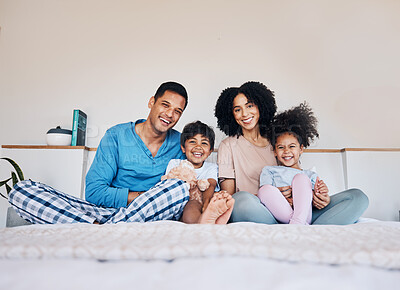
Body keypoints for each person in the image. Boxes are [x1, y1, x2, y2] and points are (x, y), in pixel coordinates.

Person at [8, 81, 191, 224]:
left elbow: (187, 190)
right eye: (165, 105)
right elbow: (94, 192)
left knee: (179, 189)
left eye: (177, 111)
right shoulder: (116, 135)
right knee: (21, 191)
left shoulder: (182, 143)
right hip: (103, 212)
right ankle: (101, 227)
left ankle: (96, 230)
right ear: (152, 102)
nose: (169, 114)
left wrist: (148, 202)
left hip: (150, 215)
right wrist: (143, 197)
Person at [215, 81, 369, 225]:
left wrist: (320, 198)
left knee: (357, 197)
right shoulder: (228, 146)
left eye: (249, 106)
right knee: (240, 201)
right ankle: (300, 228)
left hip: (298, 209)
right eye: (237, 109)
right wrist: (271, 197)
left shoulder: (279, 140)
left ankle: (300, 228)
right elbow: (228, 197)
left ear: (261, 105)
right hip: (260, 210)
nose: (245, 113)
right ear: (231, 114)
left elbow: (298, 177)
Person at [258, 102, 325, 225]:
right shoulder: (269, 171)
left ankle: (298, 221)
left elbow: (319, 199)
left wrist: (323, 194)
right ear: (274, 151)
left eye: (292, 146)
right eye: (281, 147)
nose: (287, 151)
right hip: (279, 212)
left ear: (301, 149)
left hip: (304, 214)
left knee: (301, 178)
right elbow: (265, 196)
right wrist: (280, 196)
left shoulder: (310, 175)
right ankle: (298, 223)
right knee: (264, 190)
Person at [164, 121, 234, 224]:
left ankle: (208, 216)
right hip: (178, 204)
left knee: (198, 203)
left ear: (210, 151)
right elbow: (170, 184)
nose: (198, 146)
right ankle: (204, 222)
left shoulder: (211, 167)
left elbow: (211, 184)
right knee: (191, 204)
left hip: (200, 203)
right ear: (183, 148)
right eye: (193, 142)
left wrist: (206, 205)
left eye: (204, 143)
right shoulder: (175, 163)